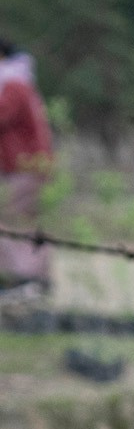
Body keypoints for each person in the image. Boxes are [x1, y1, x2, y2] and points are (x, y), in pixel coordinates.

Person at [0, 34, 56, 292]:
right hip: (29, 164)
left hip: (23, 165)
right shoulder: (18, 80)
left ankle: (25, 281)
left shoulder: (12, 84)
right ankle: (28, 280)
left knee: (16, 221)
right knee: (22, 220)